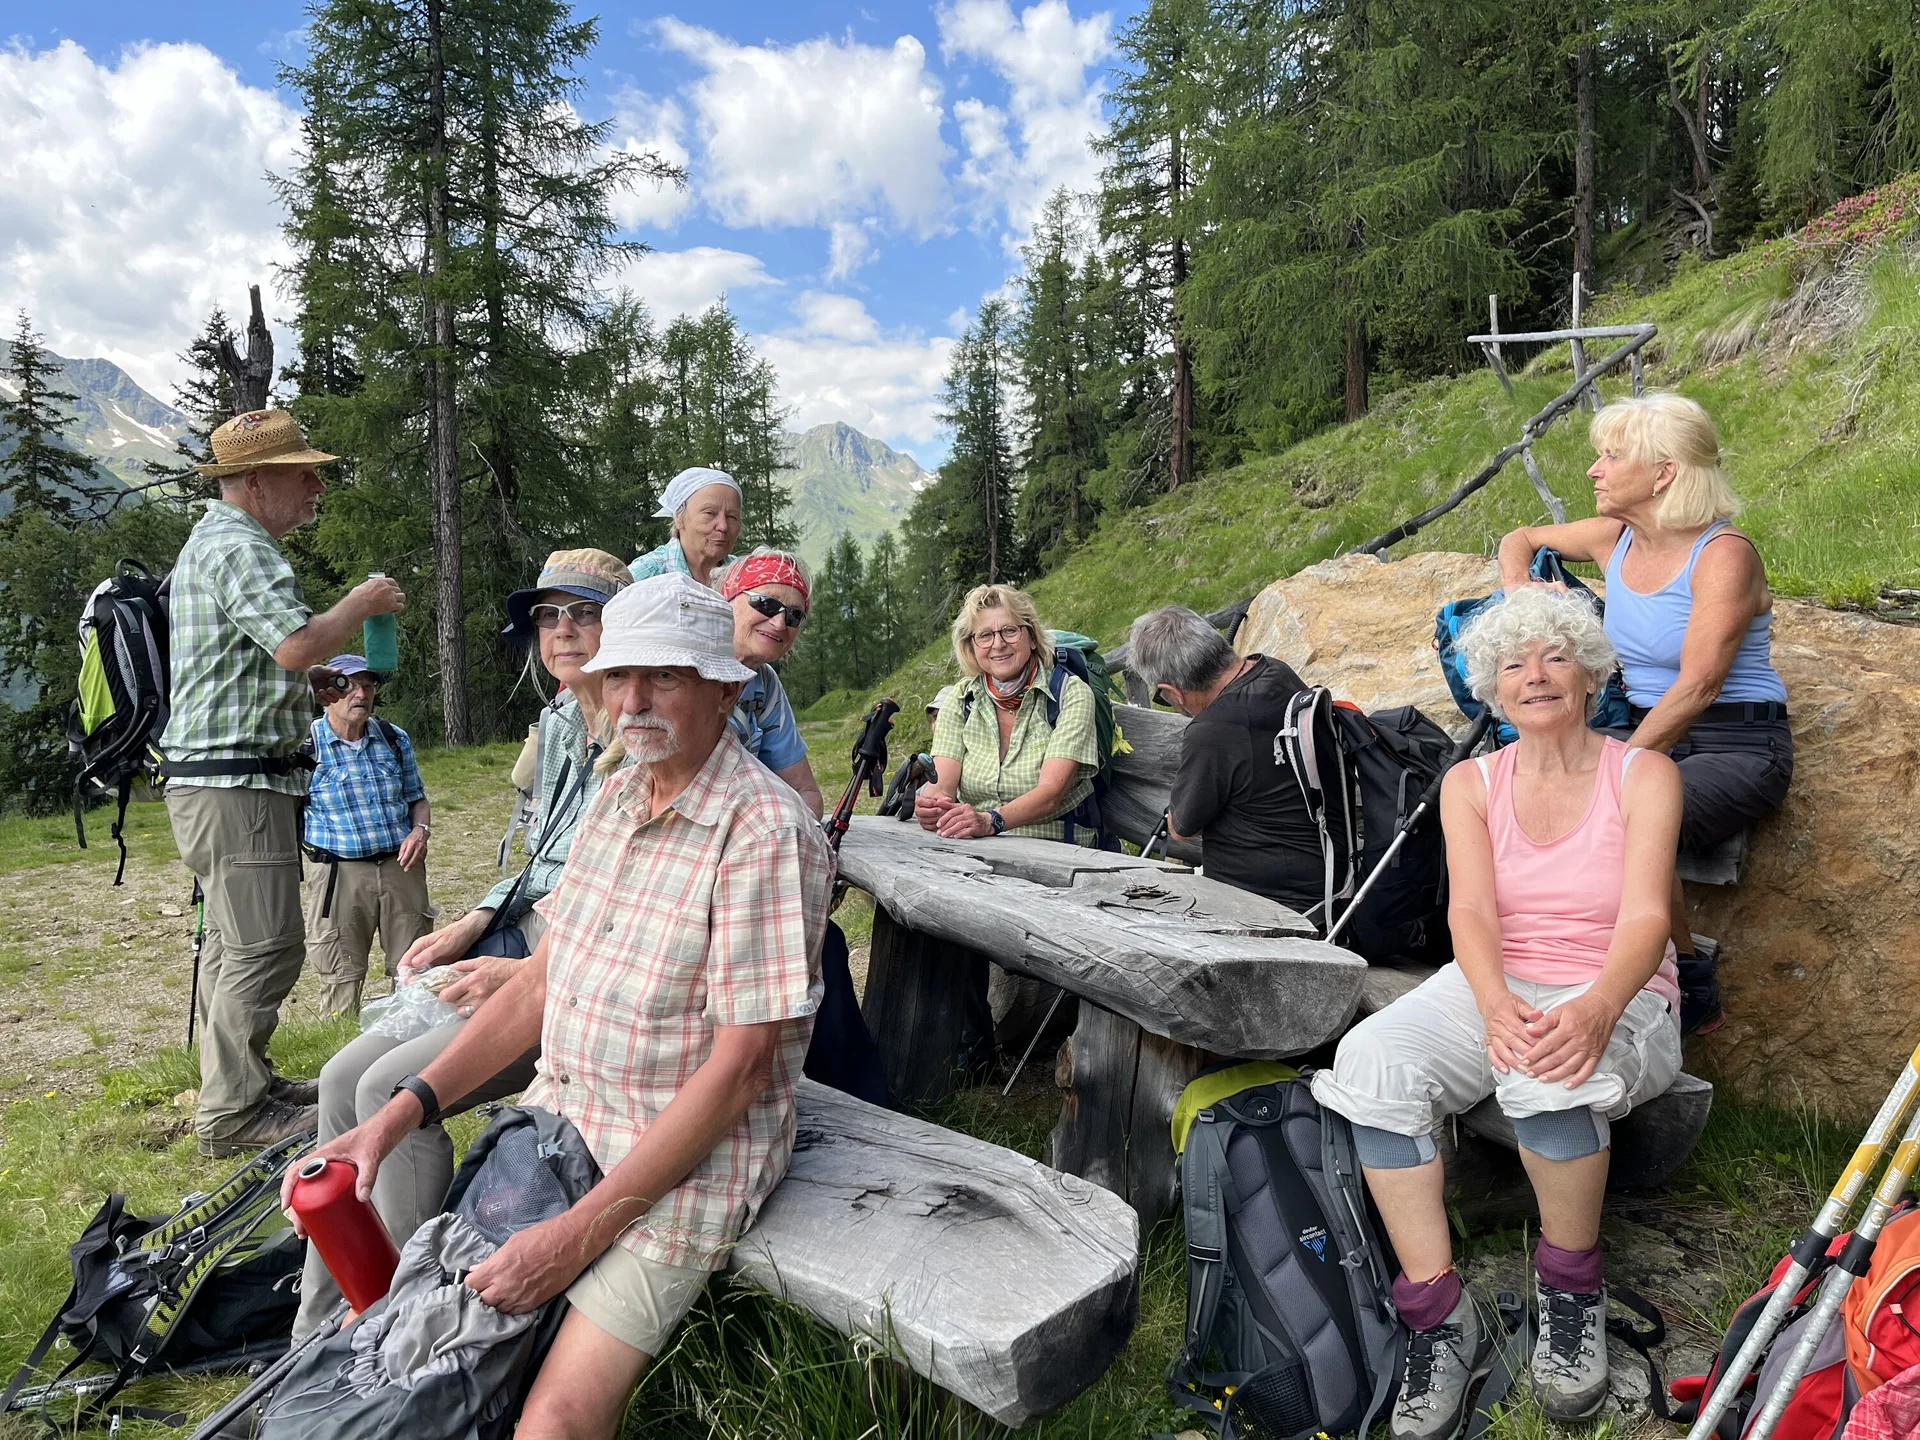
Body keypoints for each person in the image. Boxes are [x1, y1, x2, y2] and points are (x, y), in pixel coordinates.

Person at [287, 573, 832, 1440]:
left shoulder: (764, 834)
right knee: (411, 1352)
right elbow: (546, 980)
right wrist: (396, 1115)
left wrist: (576, 1238)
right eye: (620, 677)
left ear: (726, 689)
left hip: (682, 1164)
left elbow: (740, 1074)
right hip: (558, 1121)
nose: (635, 700)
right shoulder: (617, 799)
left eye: (666, 677)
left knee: (551, 1420)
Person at [1312, 588, 1684, 1438]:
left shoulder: (1645, 773)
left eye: (1556, 657)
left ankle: (1570, 1293)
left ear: (1591, 674)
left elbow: (1646, 918)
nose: (1536, 676)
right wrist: (1492, 1003)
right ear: (1492, 689)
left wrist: (1595, 1008)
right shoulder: (1472, 782)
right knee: (1374, 1060)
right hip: (1496, 978)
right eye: (1513, 664)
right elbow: (1471, 914)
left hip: (1616, 986)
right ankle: (1438, 1315)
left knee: (1553, 1074)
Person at [290, 548, 631, 1339]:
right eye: (548, 617)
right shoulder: (557, 724)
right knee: (341, 1076)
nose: (563, 631)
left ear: (625, 628)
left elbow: (611, 900)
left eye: (583, 612)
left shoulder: (638, 729)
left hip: (578, 969)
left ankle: (399, 1314)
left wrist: (511, 965)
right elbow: (544, 856)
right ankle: (316, 1324)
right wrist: (474, 922)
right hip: (524, 935)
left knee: (384, 1093)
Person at [1497, 391, 1790, 1034]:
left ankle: (1688, 985)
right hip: (1647, 727)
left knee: (1626, 819)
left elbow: (1701, 684)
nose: (1593, 470)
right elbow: (1518, 537)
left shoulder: (1723, 555)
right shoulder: (1616, 538)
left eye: (1611, 456)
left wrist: (1620, 767)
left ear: (1663, 474)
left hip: (1733, 745)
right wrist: (1518, 586)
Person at [162, 409, 406, 1156]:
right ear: (256, 479)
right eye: (303, 471)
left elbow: (261, 664)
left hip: (218, 782)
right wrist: (361, 607)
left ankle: (241, 1083)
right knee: (266, 947)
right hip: (236, 786)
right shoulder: (241, 545)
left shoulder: (219, 542)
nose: (317, 485)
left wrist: (310, 675)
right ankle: (234, 1116)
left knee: (236, 946)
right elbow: (295, 645)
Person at [1127, 604, 1324, 914]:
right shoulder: (1274, 670)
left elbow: (1181, 827)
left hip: (1267, 904)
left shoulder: (1212, 730)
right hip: (1322, 876)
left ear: (1173, 692)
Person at [300, 654, 431, 1017]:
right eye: (350, 685)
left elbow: (416, 798)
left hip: (400, 868)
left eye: (368, 686)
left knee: (412, 968)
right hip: (338, 874)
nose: (361, 694)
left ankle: (405, 1052)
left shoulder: (392, 738)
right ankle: (336, 1055)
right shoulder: (305, 745)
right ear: (328, 693)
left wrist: (421, 831)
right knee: (340, 973)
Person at [916, 584, 1099, 841]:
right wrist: (935, 806)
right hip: (976, 845)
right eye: (985, 636)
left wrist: (990, 821)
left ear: (1032, 637)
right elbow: (942, 785)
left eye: (1010, 631)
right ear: (972, 646)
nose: (998, 644)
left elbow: (1050, 795)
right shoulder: (961, 698)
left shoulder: (1070, 694)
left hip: (1057, 847)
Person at [715, 547, 823, 815]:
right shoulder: (688, 672)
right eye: (766, 603)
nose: (779, 623)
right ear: (727, 599)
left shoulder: (764, 683)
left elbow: (806, 793)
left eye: (794, 615)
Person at [629, 466, 742, 588]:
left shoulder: (743, 574)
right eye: (710, 513)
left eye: (731, 517)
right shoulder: (645, 576)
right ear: (678, 516)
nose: (723, 526)